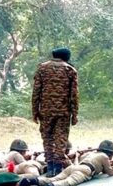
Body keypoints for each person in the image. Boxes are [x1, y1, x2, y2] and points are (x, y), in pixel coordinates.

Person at [32, 47, 79, 177]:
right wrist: (74, 114)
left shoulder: (42, 68)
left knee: (47, 138)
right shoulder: (70, 70)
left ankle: (50, 166)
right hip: (63, 112)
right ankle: (58, 168)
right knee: (60, 139)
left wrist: (35, 111)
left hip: (45, 112)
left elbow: (36, 92)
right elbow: (74, 95)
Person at [25, 140, 113, 186]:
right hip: (85, 170)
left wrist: (76, 156)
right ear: (110, 153)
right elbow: (111, 172)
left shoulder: (91, 154)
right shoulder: (104, 156)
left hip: (74, 167)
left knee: (54, 179)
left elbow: (101, 168)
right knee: (67, 182)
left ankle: (32, 181)